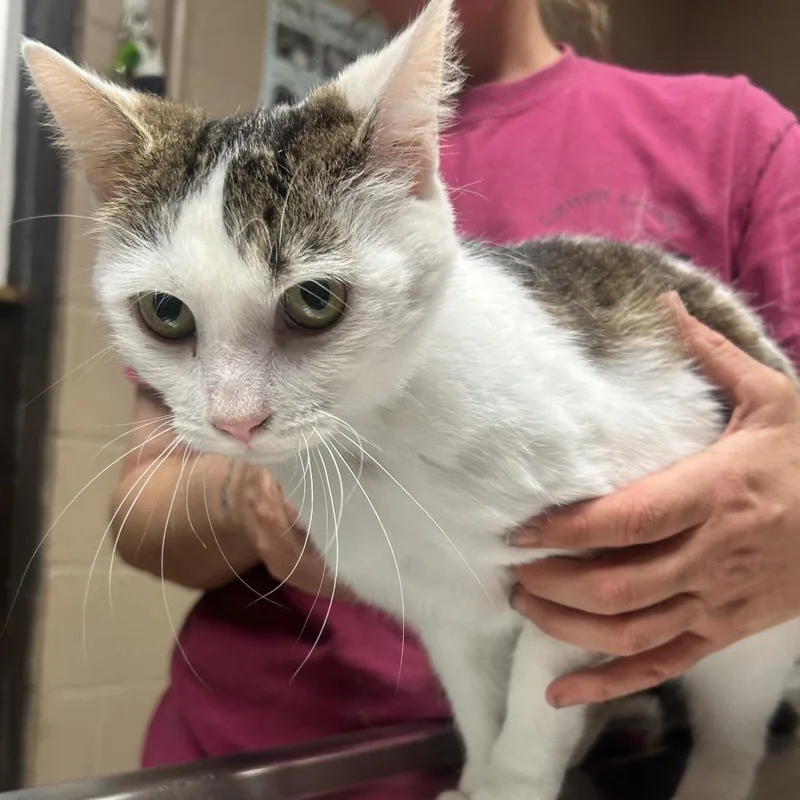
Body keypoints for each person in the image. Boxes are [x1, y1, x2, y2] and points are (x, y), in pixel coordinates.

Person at [112, 0, 800, 779]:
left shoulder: (737, 138)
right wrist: (249, 492)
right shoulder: (235, 178)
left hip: (638, 746)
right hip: (270, 751)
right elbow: (141, 512)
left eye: (314, 302)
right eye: (169, 316)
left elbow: (581, 551)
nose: (234, 409)